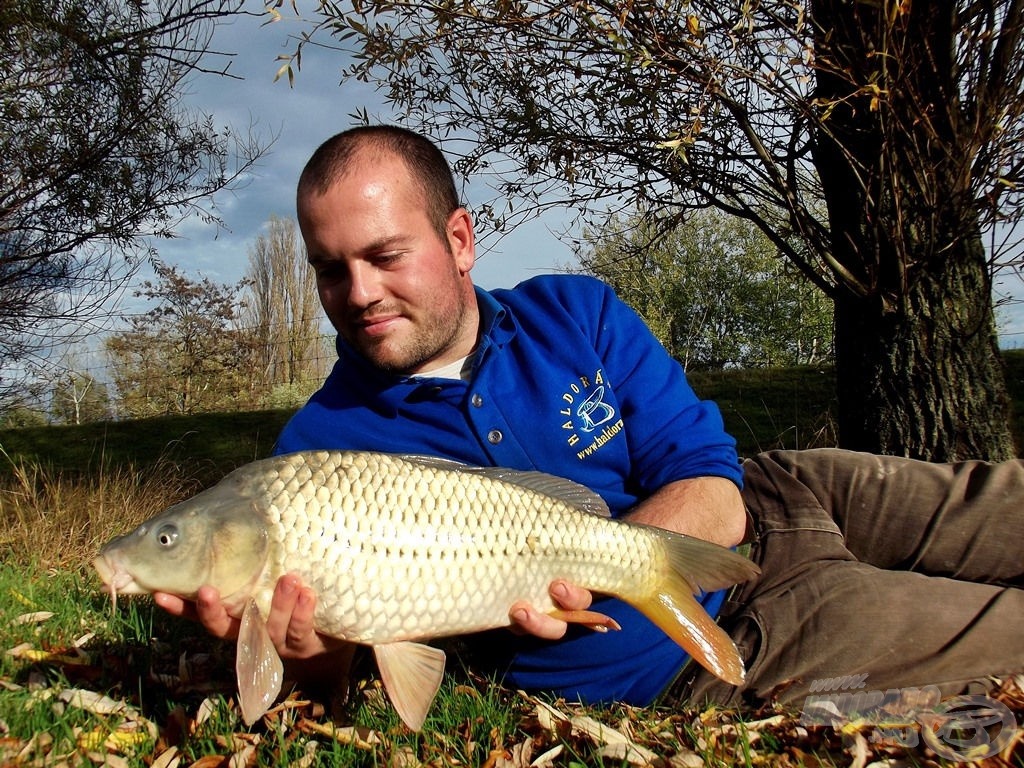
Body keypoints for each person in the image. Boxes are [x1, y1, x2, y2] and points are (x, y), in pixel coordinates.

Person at [155, 125, 1024, 714]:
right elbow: (322, 675)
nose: (360, 294)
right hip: (741, 637)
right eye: (329, 269)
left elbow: (714, 488)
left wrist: (612, 555)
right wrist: (309, 649)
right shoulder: (315, 452)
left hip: (784, 495)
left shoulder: (577, 310)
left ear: (459, 240)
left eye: (386, 256)